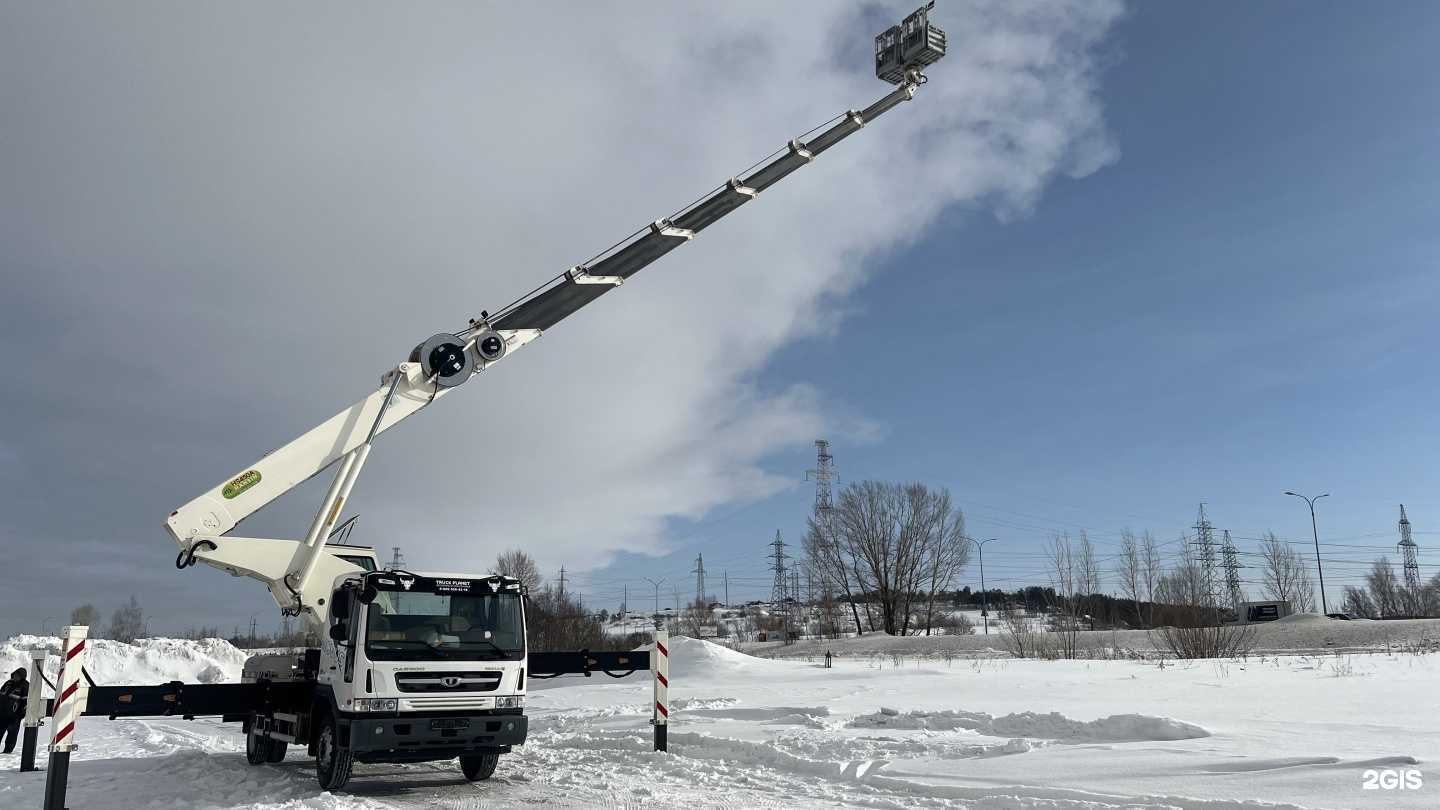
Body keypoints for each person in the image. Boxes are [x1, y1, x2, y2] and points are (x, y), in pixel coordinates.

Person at [0, 667, 28, 754]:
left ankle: (7, 752)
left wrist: (21, 714)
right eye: (15, 674)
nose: (15, 676)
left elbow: (25, 701)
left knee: (12, 735)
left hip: (14, 716)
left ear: (22, 677)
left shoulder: (25, 685)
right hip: (2, 713)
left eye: (18, 675)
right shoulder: (8, 683)